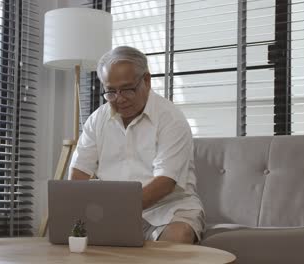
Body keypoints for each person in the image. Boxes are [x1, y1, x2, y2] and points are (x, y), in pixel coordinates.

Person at [68, 46, 205, 244]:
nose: (120, 99)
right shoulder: (97, 120)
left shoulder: (171, 119)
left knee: (179, 234)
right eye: (111, 92)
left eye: (127, 89)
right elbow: (79, 174)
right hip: (112, 211)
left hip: (168, 209)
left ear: (146, 81)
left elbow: (165, 182)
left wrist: (115, 211)